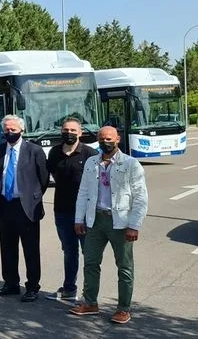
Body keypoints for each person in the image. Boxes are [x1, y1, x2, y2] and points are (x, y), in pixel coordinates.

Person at [69, 126, 148, 324]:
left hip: (120, 222)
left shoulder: (131, 164)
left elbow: (140, 198)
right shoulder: (91, 162)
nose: (106, 142)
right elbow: (83, 193)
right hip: (95, 220)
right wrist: (79, 219)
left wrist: (134, 225)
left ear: (118, 139)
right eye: (102, 138)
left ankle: (123, 308)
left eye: (109, 138)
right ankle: (90, 303)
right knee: (90, 263)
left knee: (124, 266)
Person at [0, 114, 49, 302]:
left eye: (13, 130)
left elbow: (44, 178)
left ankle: (32, 286)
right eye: (6, 130)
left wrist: (33, 197)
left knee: (30, 249)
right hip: (6, 205)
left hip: (27, 207)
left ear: (21, 130)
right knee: (7, 247)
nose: (9, 133)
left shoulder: (34, 150)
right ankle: (11, 283)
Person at [46, 118, 98, 301]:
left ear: (80, 133)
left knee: (88, 252)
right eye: (66, 129)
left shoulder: (90, 153)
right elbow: (50, 175)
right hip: (62, 211)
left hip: (84, 213)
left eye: (73, 130)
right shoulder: (54, 152)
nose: (69, 133)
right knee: (69, 251)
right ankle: (69, 289)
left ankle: (89, 294)